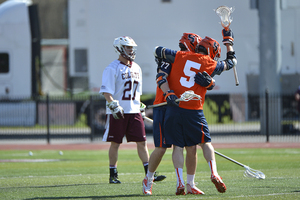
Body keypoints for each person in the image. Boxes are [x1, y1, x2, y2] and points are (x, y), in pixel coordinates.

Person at [152, 28, 237, 195]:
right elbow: (231, 62)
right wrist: (229, 42)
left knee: (178, 147)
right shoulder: (209, 62)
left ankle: (181, 182)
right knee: (205, 143)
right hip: (194, 110)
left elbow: (158, 51)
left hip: (174, 108)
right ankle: (214, 173)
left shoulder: (178, 56)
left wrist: (160, 58)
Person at [143, 33, 215, 195]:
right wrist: (168, 94)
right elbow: (161, 77)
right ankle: (148, 179)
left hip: (179, 108)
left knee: (188, 147)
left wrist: (211, 82)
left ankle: (188, 184)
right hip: (164, 105)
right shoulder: (173, 58)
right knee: (161, 148)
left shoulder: (187, 60)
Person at [99, 36, 165, 184]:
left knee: (142, 142)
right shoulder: (112, 68)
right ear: (120, 48)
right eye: (128, 47)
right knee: (115, 143)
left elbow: (136, 92)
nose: (131, 50)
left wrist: (139, 105)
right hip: (118, 111)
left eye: (131, 48)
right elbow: (106, 92)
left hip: (133, 111)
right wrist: (113, 104)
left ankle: (150, 174)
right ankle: (113, 174)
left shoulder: (137, 67)